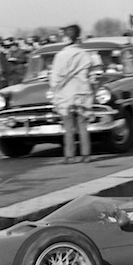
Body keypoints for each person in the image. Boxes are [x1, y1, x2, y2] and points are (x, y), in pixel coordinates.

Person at [49, 24, 95, 164]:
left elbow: (55, 78)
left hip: (65, 95)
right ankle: (86, 155)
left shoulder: (60, 55)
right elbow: (91, 75)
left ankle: (70, 156)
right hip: (82, 93)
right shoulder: (85, 54)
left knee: (68, 127)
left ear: (68, 37)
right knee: (82, 126)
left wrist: (55, 90)